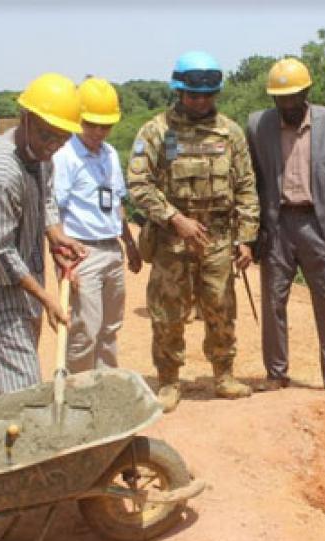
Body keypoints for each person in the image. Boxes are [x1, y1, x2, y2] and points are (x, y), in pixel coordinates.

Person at [127, 51, 259, 411]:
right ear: (178, 92)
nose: (200, 102)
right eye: (192, 95)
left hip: (217, 239)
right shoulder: (155, 131)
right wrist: (174, 218)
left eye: (207, 96)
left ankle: (224, 375)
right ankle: (169, 381)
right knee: (168, 313)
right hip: (172, 241)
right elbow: (138, 184)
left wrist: (246, 239)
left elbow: (246, 186)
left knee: (221, 309)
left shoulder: (230, 133)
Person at [0, 73, 87, 400]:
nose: (53, 146)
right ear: (25, 118)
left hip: (21, 287)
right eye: (46, 135)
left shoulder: (39, 157)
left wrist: (55, 234)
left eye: (62, 139)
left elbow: (47, 196)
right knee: (22, 395)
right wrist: (47, 298)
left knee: (1, 394)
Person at [245, 57, 325, 396]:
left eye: (295, 97)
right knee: (273, 301)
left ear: (307, 92)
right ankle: (276, 373)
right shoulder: (257, 125)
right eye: (281, 98)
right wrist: (251, 232)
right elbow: (249, 182)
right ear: (273, 99)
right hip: (276, 224)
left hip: (317, 223)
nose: (289, 104)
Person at [53, 77, 141, 373]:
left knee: (109, 328)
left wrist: (129, 244)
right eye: (92, 124)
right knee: (84, 331)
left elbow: (117, 202)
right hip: (81, 253)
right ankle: (77, 394)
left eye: (106, 126)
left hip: (111, 249)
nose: (98, 132)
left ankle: (105, 390)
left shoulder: (110, 154)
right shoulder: (65, 156)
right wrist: (62, 255)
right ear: (79, 119)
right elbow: (54, 209)